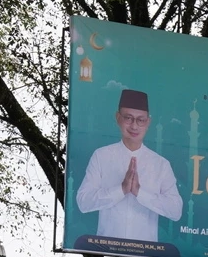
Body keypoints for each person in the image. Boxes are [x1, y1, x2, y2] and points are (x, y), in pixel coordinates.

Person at [75, 89, 184, 241]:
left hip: (147, 252)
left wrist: (140, 192)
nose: (134, 126)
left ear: (148, 122)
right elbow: (83, 202)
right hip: (106, 247)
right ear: (118, 118)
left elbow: (176, 211)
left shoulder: (161, 164)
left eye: (140, 120)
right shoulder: (101, 156)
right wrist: (121, 190)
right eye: (128, 118)